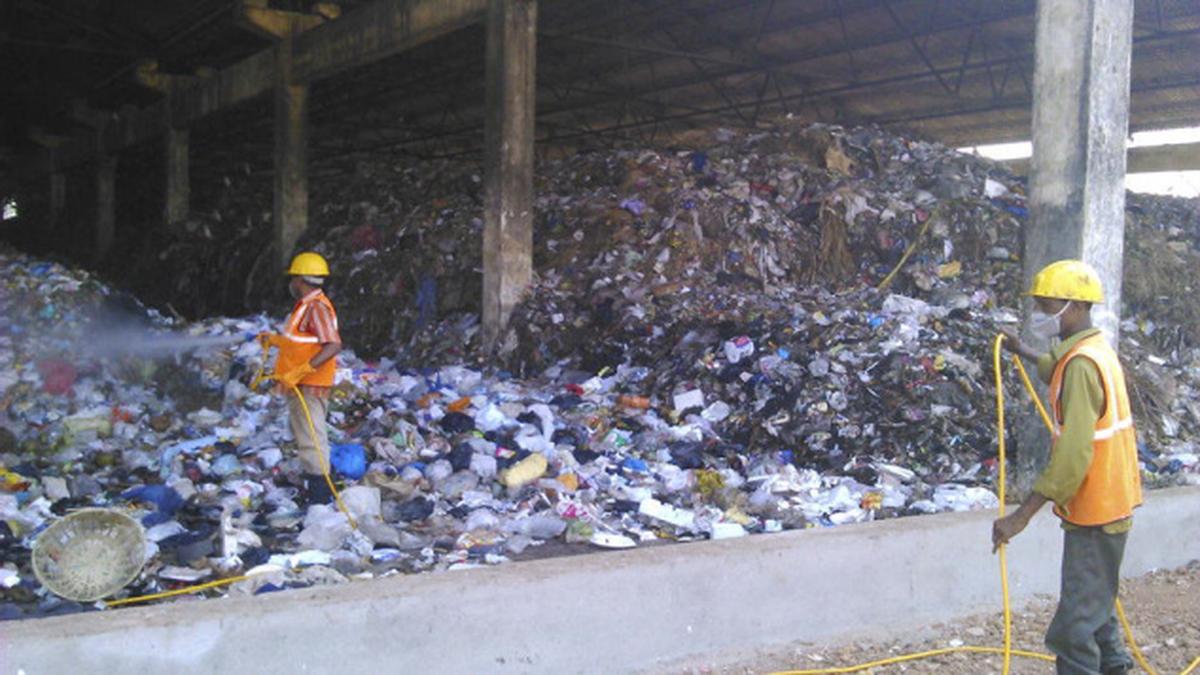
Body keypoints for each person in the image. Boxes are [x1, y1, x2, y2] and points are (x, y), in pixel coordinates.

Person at [994, 259, 1143, 675]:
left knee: (1074, 628)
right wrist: (1022, 351)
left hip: (1096, 509)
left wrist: (1020, 516)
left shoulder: (1080, 365)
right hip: (1110, 504)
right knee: (1095, 606)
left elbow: (1073, 457)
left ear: (1075, 307)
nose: (1041, 314)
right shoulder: (1093, 350)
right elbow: (1058, 366)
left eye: (1047, 305)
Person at [259, 252, 343, 503]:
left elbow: (333, 345)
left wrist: (302, 370)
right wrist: (274, 341)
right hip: (298, 384)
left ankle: (320, 500)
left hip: (309, 384)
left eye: (293, 278)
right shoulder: (305, 306)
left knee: (311, 439)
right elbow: (301, 343)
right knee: (307, 436)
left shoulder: (316, 307)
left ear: (300, 280)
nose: (291, 283)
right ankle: (318, 489)